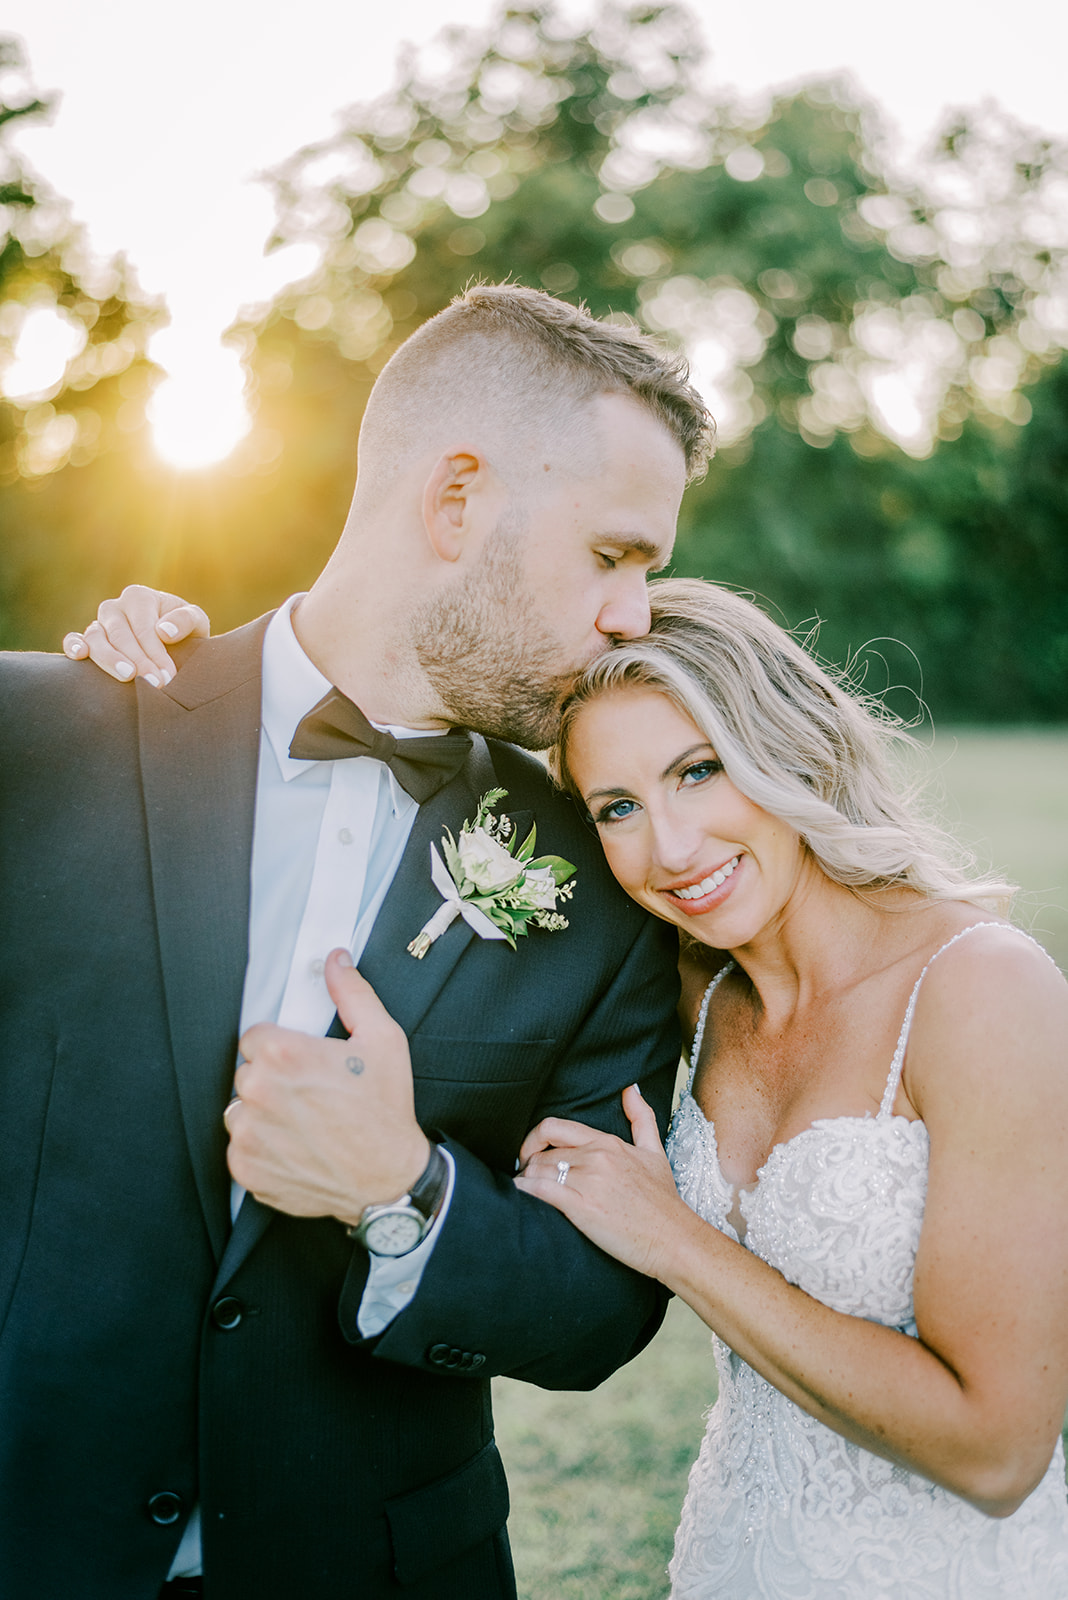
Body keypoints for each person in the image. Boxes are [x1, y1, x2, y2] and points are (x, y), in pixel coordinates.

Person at [0, 286, 716, 1600]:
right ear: (457, 502)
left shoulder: (601, 885)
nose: (634, 614)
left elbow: (598, 1311)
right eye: (614, 554)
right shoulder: (41, 741)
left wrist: (405, 1194)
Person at [511, 577, 1068, 1597]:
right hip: (738, 1556)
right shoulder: (694, 987)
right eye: (619, 807)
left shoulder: (981, 990)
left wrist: (676, 1238)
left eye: (699, 770)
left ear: (787, 745)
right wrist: (195, 677)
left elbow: (998, 1449)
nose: (671, 850)